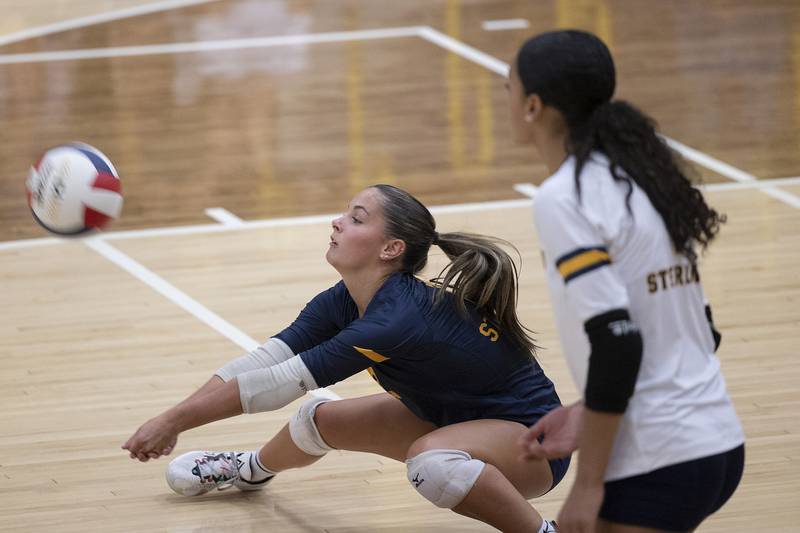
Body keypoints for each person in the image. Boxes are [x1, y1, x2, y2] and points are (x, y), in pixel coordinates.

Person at [123, 184, 569, 533]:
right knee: (317, 420)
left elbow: (277, 385)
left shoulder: (396, 319)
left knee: (432, 464)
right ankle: (251, 471)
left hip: (532, 442)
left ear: (391, 248)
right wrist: (174, 416)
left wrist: (174, 422)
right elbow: (262, 362)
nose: (337, 222)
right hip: (455, 417)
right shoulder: (345, 299)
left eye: (356, 219)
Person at [507, 30, 746, 533]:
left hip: (655, 458)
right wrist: (585, 411)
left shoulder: (563, 197)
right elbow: (701, 327)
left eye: (507, 89)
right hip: (716, 442)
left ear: (532, 106)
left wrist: (588, 482)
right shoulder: (643, 178)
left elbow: (618, 340)